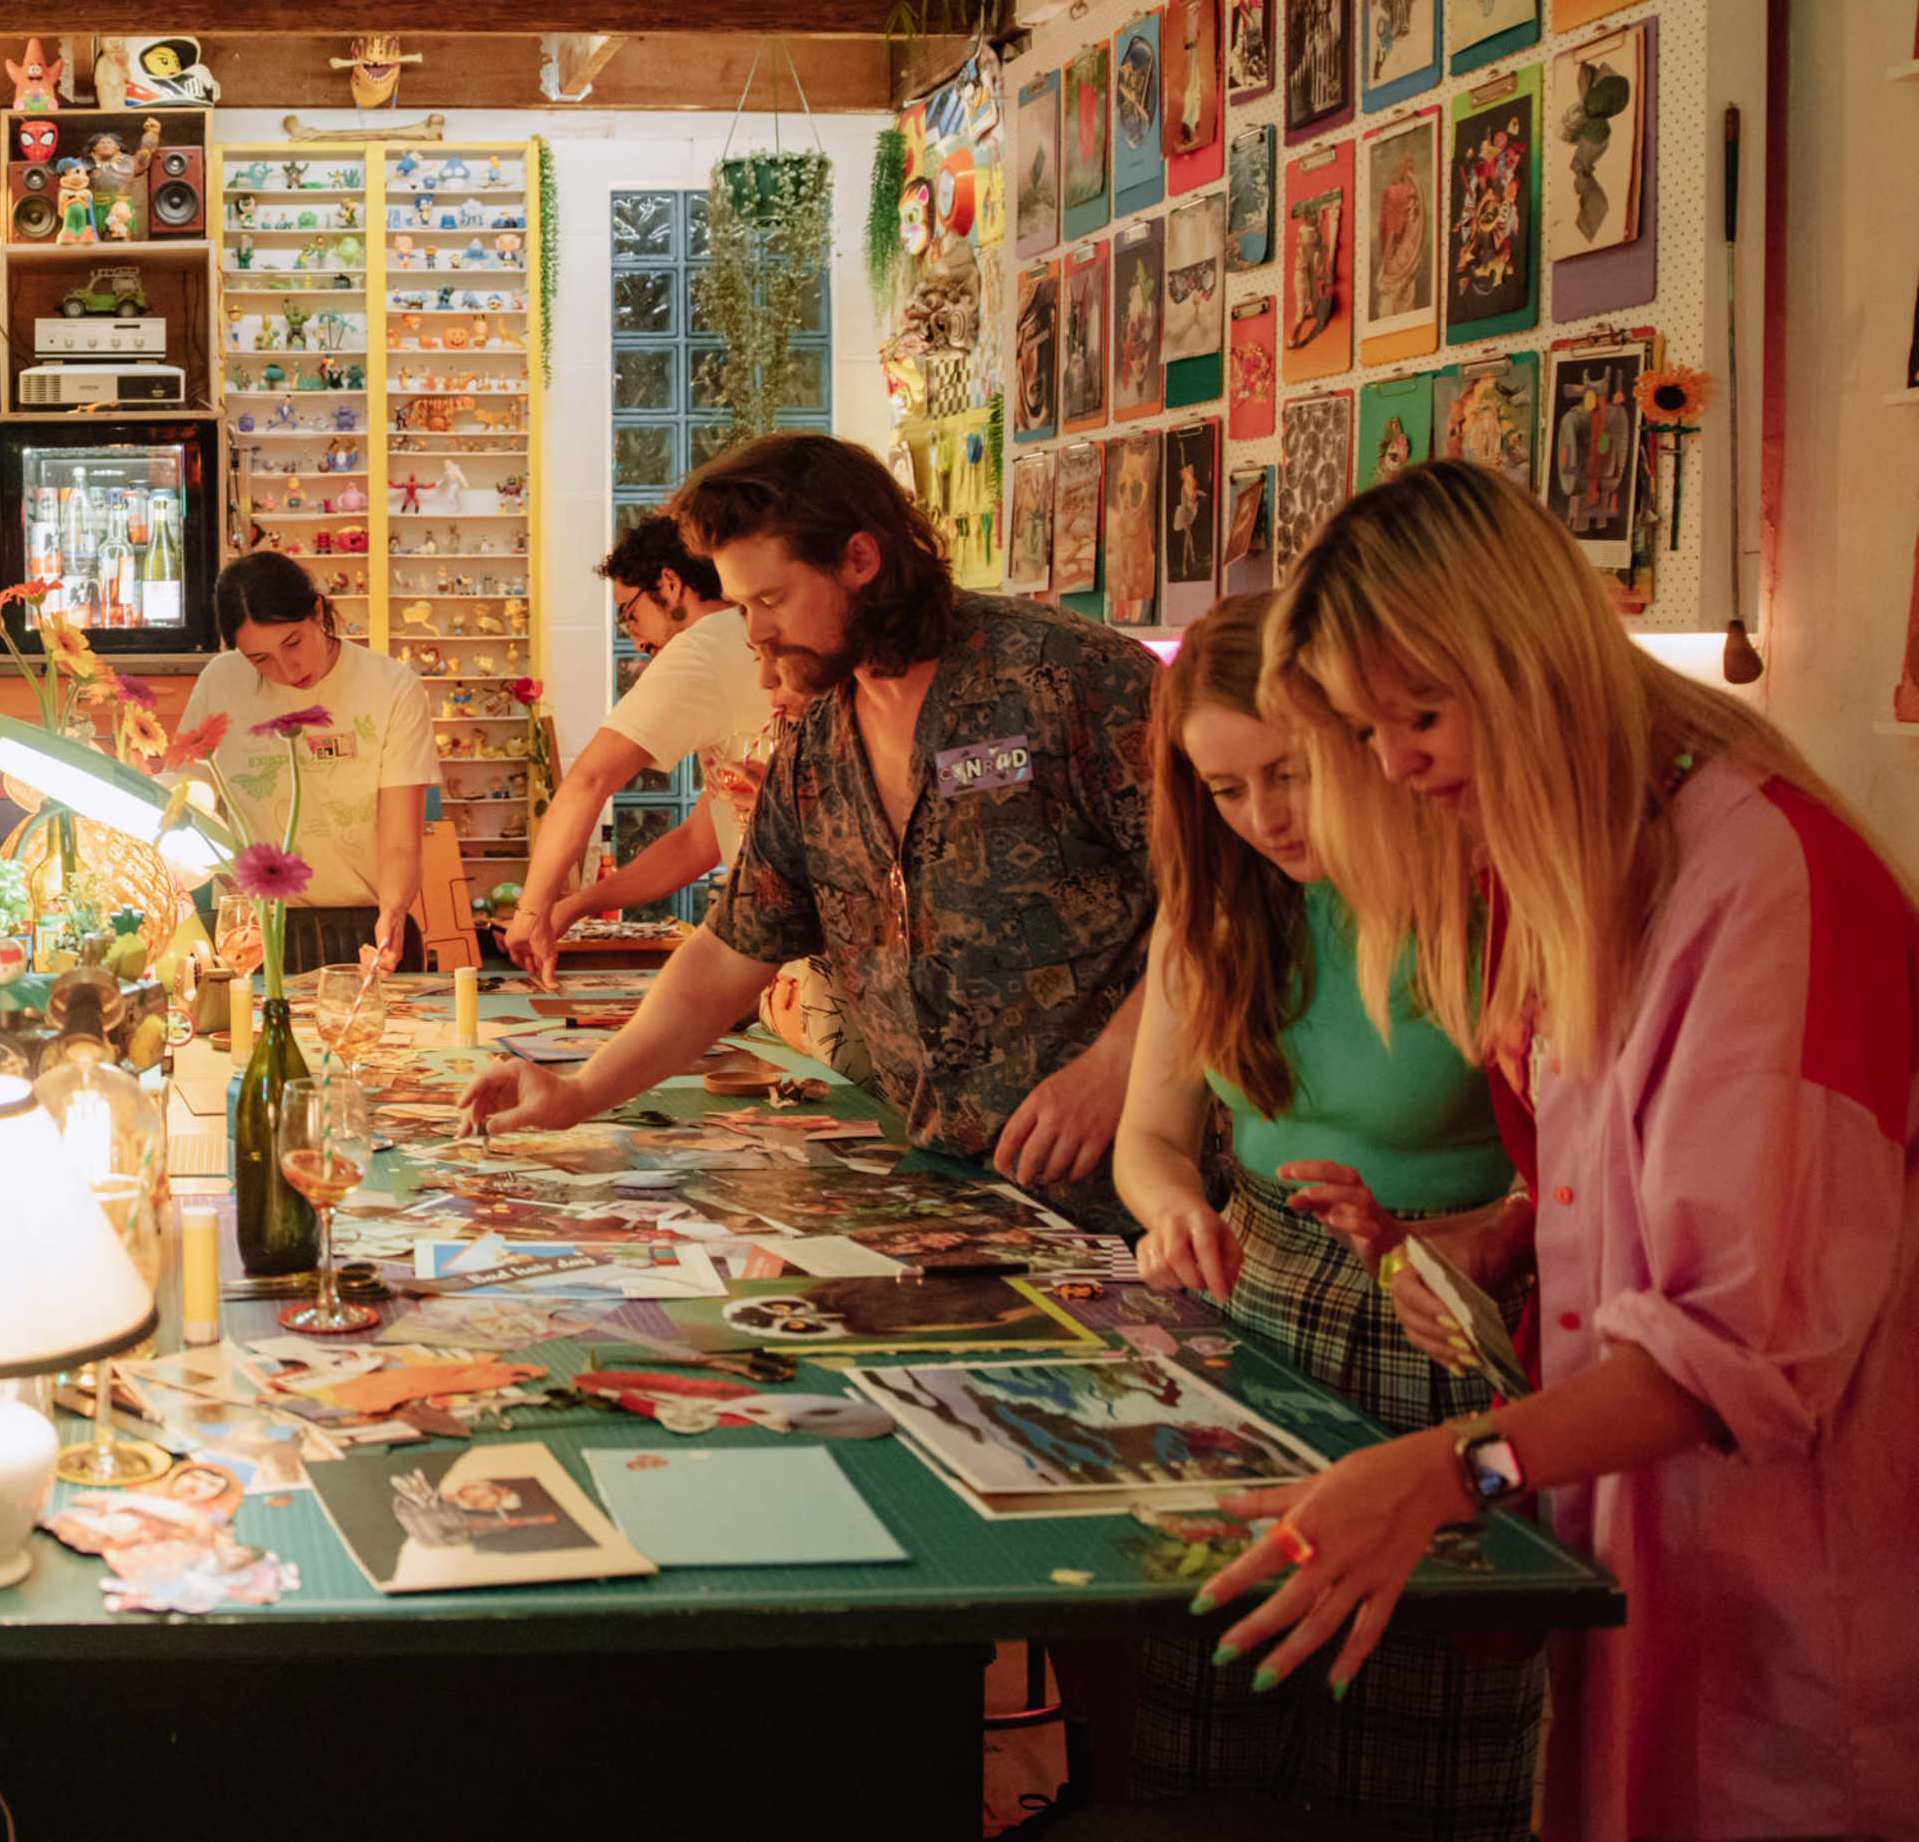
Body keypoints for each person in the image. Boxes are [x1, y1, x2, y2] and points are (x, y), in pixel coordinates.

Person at [1204, 461, 1918, 1842]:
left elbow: (1736, 1347)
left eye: (1421, 715)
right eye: (1366, 731)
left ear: (1531, 661)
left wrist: (1450, 1471)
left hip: (1798, 1606)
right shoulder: (1580, 866)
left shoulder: (1771, 876)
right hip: (1650, 1575)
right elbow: (1628, 1187)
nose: (1397, 766)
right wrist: (1500, 1239)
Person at [461, 431, 1157, 1208]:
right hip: (957, 1192)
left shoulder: (1068, 679)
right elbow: (728, 953)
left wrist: (1119, 1062)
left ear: (859, 559)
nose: (752, 633)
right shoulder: (817, 744)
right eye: (740, 604)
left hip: (1140, 1196)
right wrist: (581, 1091)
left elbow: (1231, 897)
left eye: (770, 600)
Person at [1108, 595, 1542, 1840]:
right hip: (1253, 1325)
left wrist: (1488, 1230)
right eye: (1226, 789)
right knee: (1207, 1727)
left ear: (1360, 740)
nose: (1265, 817)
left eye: (1288, 773)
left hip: (1444, 1332)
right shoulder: (1219, 901)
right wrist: (1173, 1211)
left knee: (1415, 1739)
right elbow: (1149, 1140)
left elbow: (1571, 1178)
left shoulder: (1483, 893)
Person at [499, 515, 783, 988]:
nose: (635, 639)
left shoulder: (700, 648)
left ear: (670, 585)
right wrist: (574, 907)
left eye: (629, 613)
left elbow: (590, 779)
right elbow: (698, 843)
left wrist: (531, 911)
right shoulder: (743, 635)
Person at [175, 549, 433, 973]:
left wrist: (393, 910)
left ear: (317, 611)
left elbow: (401, 839)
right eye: (260, 660)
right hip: (252, 928)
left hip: (363, 924)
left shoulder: (391, 687)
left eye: (292, 643)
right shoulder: (221, 681)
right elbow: (190, 803)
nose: (287, 670)